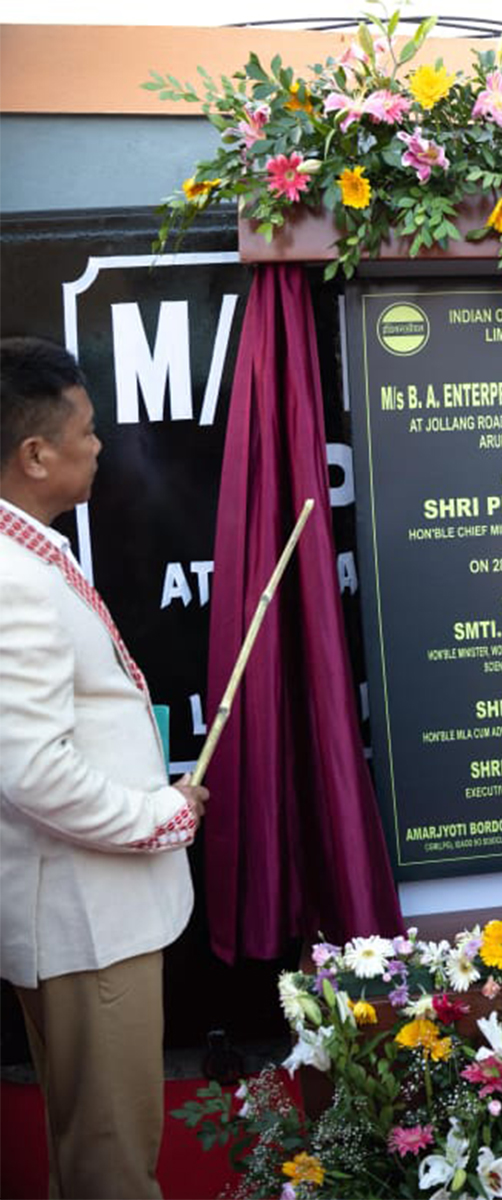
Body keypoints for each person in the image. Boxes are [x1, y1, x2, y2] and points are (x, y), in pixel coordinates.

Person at [0, 337, 208, 1199]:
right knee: (110, 1161)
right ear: (35, 452)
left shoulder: (28, 552)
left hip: (93, 915)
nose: (99, 446)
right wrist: (157, 816)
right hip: (86, 923)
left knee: (88, 1147)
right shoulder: (12, 578)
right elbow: (31, 770)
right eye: (85, 431)